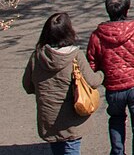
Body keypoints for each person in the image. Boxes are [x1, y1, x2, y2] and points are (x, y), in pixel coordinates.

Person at [87, 0, 134, 155]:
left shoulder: (97, 35)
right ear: (127, 9)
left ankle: (118, 152)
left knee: (116, 119)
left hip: (113, 88)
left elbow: (91, 63)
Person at [22, 11, 89, 155]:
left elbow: (27, 85)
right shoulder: (76, 55)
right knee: (71, 148)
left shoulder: (37, 56)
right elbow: (92, 81)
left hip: (48, 117)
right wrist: (102, 74)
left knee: (57, 148)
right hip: (72, 118)